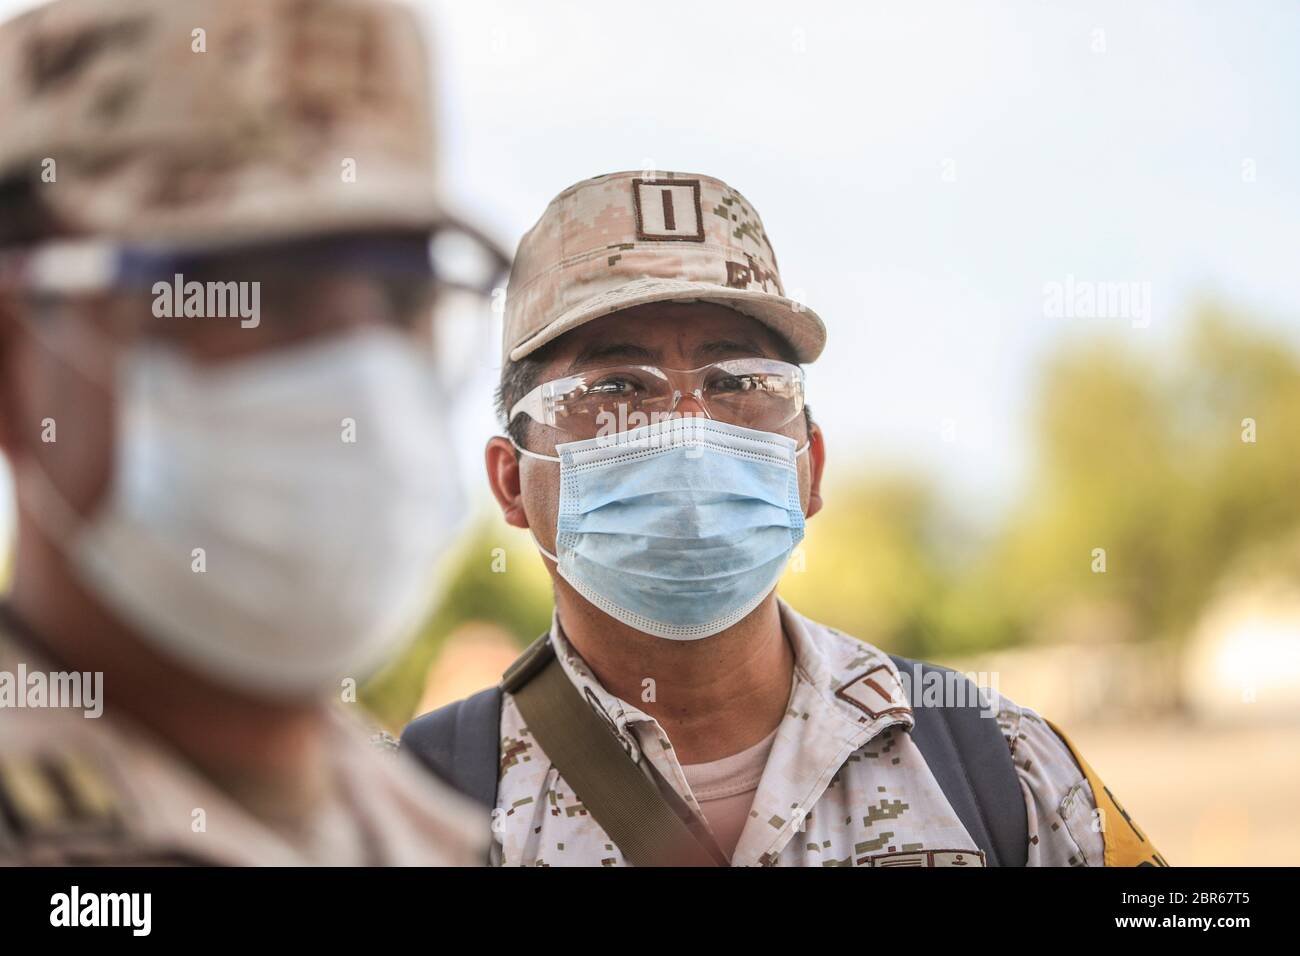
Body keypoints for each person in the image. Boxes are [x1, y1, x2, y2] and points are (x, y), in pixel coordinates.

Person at [403, 170, 1167, 867]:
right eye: (617, 387)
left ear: (811, 467)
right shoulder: (414, 811)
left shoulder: (999, 766)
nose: (690, 428)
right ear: (510, 481)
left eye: (741, 379)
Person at [0, 0, 506, 865]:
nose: (363, 375)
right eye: (261, 287)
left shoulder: (447, 837)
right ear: (17, 356)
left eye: (402, 296)